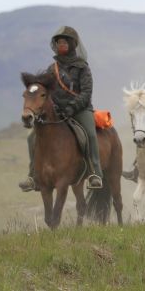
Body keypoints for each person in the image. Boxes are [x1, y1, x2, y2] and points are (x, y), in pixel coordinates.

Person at [19, 26, 103, 191]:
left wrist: (72, 107)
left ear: (72, 44)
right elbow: (47, 92)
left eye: (64, 41)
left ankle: (95, 173)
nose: (61, 44)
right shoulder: (52, 69)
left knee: (90, 134)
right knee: (31, 138)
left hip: (81, 109)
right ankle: (33, 176)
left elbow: (86, 93)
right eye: (59, 42)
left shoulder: (82, 67)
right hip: (58, 111)